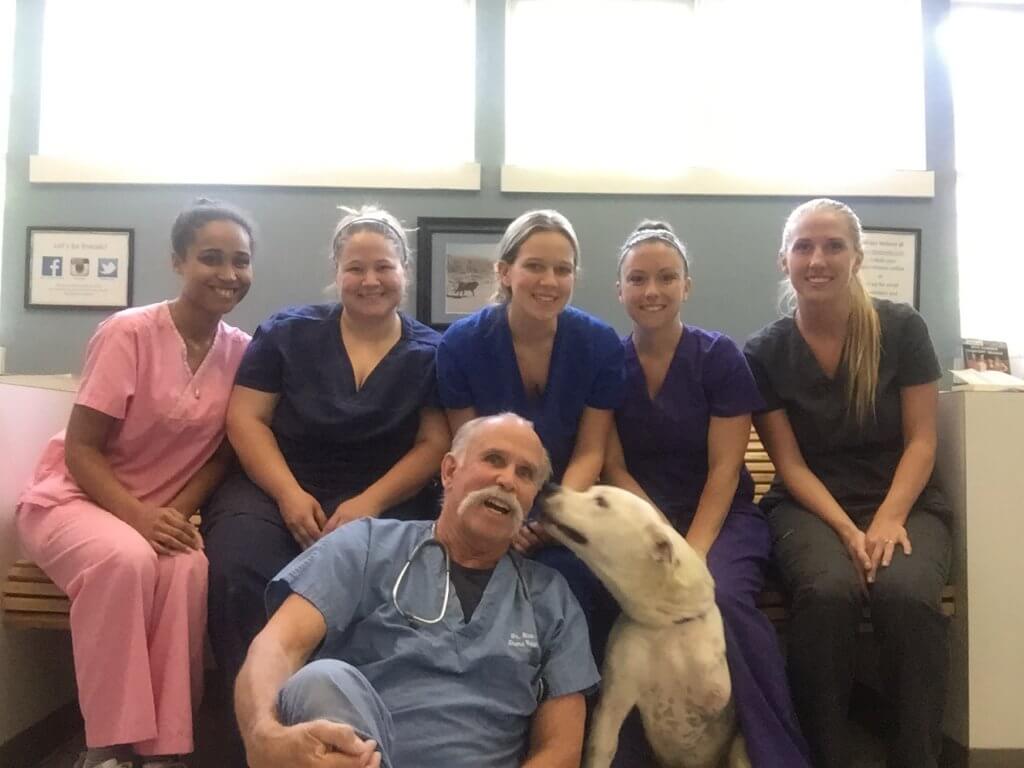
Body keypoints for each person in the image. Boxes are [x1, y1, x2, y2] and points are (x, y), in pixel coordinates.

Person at [16, 198, 256, 768]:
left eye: (241, 261)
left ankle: (165, 749)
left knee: (188, 565)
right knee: (127, 560)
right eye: (211, 258)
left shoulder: (244, 353)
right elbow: (81, 449)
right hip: (71, 500)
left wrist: (171, 516)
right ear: (178, 261)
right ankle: (107, 746)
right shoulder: (128, 333)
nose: (228, 274)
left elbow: (222, 456)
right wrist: (140, 517)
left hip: (155, 511)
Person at [234, 413, 598, 768]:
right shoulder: (364, 547)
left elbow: (561, 749)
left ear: (533, 498)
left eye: (526, 474)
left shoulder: (552, 599)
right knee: (320, 680)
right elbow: (276, 646)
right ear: (450, 471)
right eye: (494, 460)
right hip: (366, 749)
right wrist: (263, 737)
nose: (507, 480)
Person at [202, 206, 450, 719]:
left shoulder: (432, 352)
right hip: (275, 487)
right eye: (355, 268)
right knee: (238, 569)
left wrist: (369, 503)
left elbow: (433, 444)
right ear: (336, 272)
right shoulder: (287, 333)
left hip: (383, 498)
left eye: (383, 266)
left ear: (403, 271)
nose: (369, 280)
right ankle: (257, 723)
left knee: (388, 589)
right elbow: (247, 419)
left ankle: (357, 724)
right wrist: (289, 495)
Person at [743, 198, 952, 768]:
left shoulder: (902, 328)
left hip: (903, 502)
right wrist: (844, 528)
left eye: (833, 245)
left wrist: (887, 519)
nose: (818, 259)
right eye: (804, 246)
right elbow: (789, 464)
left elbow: (921, 442)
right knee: (827, 594)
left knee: (906, 595)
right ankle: (821, 755)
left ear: (857, 257)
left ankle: (917, 757)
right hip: (809, 508)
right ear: (783, 259)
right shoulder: (764, 351)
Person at [601, 221, 811, 768]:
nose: (653, 291)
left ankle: (775, 754)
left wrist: (690, 550)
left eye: (667, 278)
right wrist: (655, 535)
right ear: (619, 289)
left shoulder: (717, 357)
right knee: (614, 601)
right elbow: (613, 464)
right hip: (642, 516)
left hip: (720, 517)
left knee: (717, 598)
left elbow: (725, 468)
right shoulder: (606, 363)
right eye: (638, 279)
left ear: (686, 286)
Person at [435, 209, 624, 615]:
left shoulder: (600, 345)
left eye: (563, 269)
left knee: (574, 580)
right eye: (534, 266)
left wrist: (552, 520)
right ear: (504, 271)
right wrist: (506, 517)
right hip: (483, 503)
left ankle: (573, 682)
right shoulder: (460, 346)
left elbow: (592, 450)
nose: (549, 282)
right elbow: (471, 454)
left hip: (562, 512)